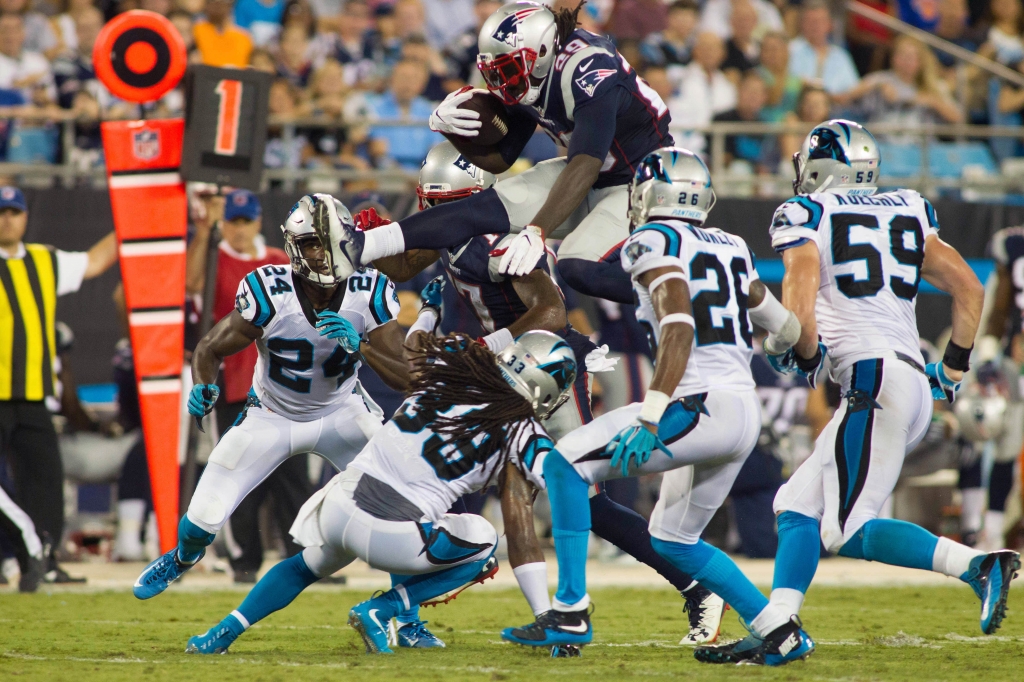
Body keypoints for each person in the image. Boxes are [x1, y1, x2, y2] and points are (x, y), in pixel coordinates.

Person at [368, 140, 728, 644]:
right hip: (508, 373)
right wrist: (361, 243)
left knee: (580, 495)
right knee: (507, 489)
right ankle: (547, 615)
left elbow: (553, 312)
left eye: (441, 204)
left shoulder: (496, 241)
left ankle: (689, 588)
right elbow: (405, 262)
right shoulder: (461, 235)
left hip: (550, 369)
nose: (433, 215)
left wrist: (477, 346)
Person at [695, 120, 1021, 665]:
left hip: (872, 379)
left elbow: (799, 287)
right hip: (907, 377)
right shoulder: (909, 208)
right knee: (795, 506)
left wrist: (801, 351)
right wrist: (955, 369)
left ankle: (976, 565)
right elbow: (969, 286)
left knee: (847, 528)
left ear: (823, 167)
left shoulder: (807, 213)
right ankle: (780, 628)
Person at [501, 148, 812, 666]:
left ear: (647, 195)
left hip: (696, 404)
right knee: (672, 539)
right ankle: (777, 631)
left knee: (562, 461)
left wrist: (651, 413)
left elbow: (679, 324)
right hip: (740, 408)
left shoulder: (653, 239)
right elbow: (782, 326)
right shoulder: (732, 244)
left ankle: (570, 608)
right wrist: (797, 355)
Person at [133, 194, 449, 648]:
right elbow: (209, 349)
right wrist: (203, 384)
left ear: (340, 242)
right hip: (272, 414)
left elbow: (407, 379)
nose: (308, 254)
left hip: (343, 412)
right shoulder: (269, 288)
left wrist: (360, 346)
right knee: (203, 516)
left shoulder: (369, 288)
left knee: (397, 509)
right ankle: (183, 555)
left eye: (316, 244)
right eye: (302, 244)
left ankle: (409, 619)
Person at [184, 329, 573, 655]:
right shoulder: (523, 433)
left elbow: (416, 345)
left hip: (339, 504)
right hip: (393, 536)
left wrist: (427, 316)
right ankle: (385, 608)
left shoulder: (448, 374)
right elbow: (554, 491)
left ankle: (220, 635)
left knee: (305, 566)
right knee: (483, 541)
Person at [333, 0, 673, 305]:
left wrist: (537, 231)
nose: (501, 84)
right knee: (480, 208)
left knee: (576, 266)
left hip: (642, 181)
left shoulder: (589, 66)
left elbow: (587, 161)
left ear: (540, 54)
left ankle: (684, 294)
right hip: (594, 174)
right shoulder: (533, 73)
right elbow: (499, 160)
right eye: (494, 72)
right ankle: (364, 245)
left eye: (508, 70)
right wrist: (449, 129)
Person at [185, 189, 316, 583]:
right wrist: (204, 232)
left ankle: (305, 558)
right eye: (233, 221)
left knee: (293, 479)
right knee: (241, 476)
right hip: (234, 383)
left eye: (245, 221)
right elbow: (191, 285)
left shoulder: (278, 260)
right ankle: (245, 560)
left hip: (281, 386)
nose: (239, 229)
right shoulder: (213, 257)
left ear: (258, 221)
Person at [0, 186, 117, 585]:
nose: (7, 220)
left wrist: (133, 221)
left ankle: (45, 560)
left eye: (14, 212)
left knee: (46, 480)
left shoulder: (44, 261)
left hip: (35, 394)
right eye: (2, 212)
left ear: (25, 217)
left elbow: (98, 261)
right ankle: (10, 558)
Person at [842, 35, 963, 134]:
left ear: (920, 61)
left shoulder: (933, 86)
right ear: (893, 58)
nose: (906, 61)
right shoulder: (879, 79)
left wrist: (932, 101)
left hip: (922, 149)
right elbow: (845, 98)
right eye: (902, 55)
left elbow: (958, 118)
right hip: (884, 145)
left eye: (911, 57)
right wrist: (876, 87)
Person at [365, 59, 444, 170]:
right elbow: (379, 153)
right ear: (392, 79)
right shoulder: (375, 109)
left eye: (414, 79)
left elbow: (435, 150)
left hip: (422, 175)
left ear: (421, 84)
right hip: (387, 176)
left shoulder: (430, 111)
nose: (408, 84)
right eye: (403, 78)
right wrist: (403, 178)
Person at [669, 31, 736, 156]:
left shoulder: (728, 86)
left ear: (723, 53)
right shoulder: (680, 80)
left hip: (718, 150)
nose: (709, 53)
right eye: (704, 48)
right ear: (695, 51)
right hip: (686, 148)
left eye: (714, 48)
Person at [787, 1, 860, 101]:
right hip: (799, 103)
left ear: (829, 25)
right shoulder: (791, 49)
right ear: (802, 24)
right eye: (810, 21)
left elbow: (853, 88)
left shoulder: (840, 55)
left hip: (836, 108)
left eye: (820, 21)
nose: (815, 26)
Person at [193, 0, 254, 68]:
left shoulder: (243, 36)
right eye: (213, 2)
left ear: (229, 6)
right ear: (206, 5)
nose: (217, 6)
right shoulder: (197, 30)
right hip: (205, 75)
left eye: (221, 3)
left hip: (235, 76)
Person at [639, 0, 698, 69]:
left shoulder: (695, 45)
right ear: (669, 18)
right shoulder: (653, 42)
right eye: (679, 18)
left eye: (687, 19)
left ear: (695, 21)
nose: (683, 23)